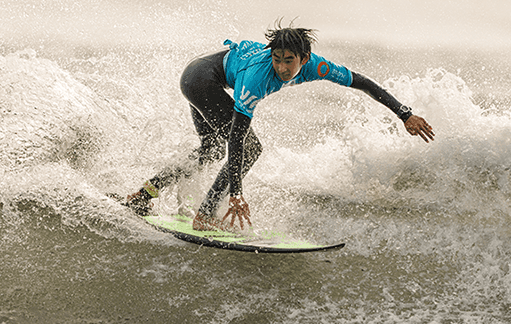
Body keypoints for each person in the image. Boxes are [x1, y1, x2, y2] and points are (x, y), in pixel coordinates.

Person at [122, 22, 435, 231]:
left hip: (202, 76)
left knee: (210, 149)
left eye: (289, 61)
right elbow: (238, 138)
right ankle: (205, 215)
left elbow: (361, 82)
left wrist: (403, 113)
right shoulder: (257, 79)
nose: (282, 68)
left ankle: (144, 192)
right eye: (277, 59)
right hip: (200, 81)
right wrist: (236, 194)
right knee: (249, 148)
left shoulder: (318, 66)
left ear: (305, 58)